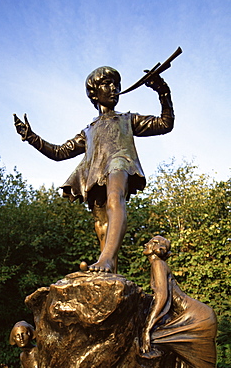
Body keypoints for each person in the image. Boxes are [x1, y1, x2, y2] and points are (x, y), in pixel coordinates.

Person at [14, 66, 174, 273]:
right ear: (94, 93)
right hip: (96, 174)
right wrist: (31, 138)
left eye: (115, 84)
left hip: (120, 162)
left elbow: (165, 123)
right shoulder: (88, 131)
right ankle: (109, 270)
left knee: (116, 197)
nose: (113, 88)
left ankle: (106, 259)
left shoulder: (127, 119)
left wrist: (163, 92)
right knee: (102, 225)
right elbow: (59, 152)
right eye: (106, 84)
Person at [141, 235, 217, 368]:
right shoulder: (159, 264)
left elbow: (162, 297)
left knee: (152, 338)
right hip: (199, 314)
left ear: (156, 247)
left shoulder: (158, 264)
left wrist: (147, 328)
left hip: (196, 318)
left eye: (150, 242)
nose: (145, 244)